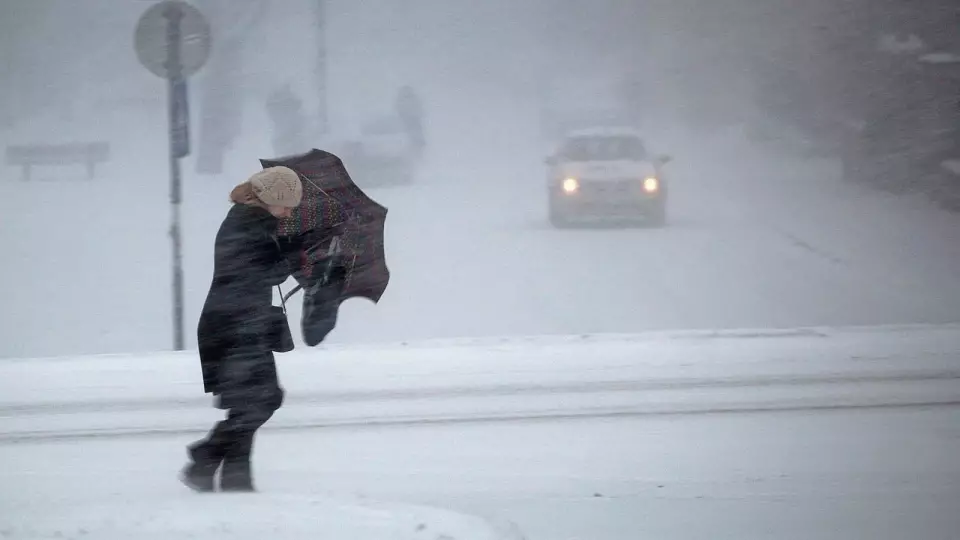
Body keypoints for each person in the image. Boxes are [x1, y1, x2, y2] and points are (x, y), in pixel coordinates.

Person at [181, 166, 304, 493]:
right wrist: (295, 251)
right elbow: (271, 271)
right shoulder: (249, 224)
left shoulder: (247, 221)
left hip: (235, 322)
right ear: (272, 198)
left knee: (247, 403)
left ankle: (234, 481)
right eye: (287, 205)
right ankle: (206, 456)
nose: (289, 212)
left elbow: (265, 265)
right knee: (265, 399)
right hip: (236, 325)